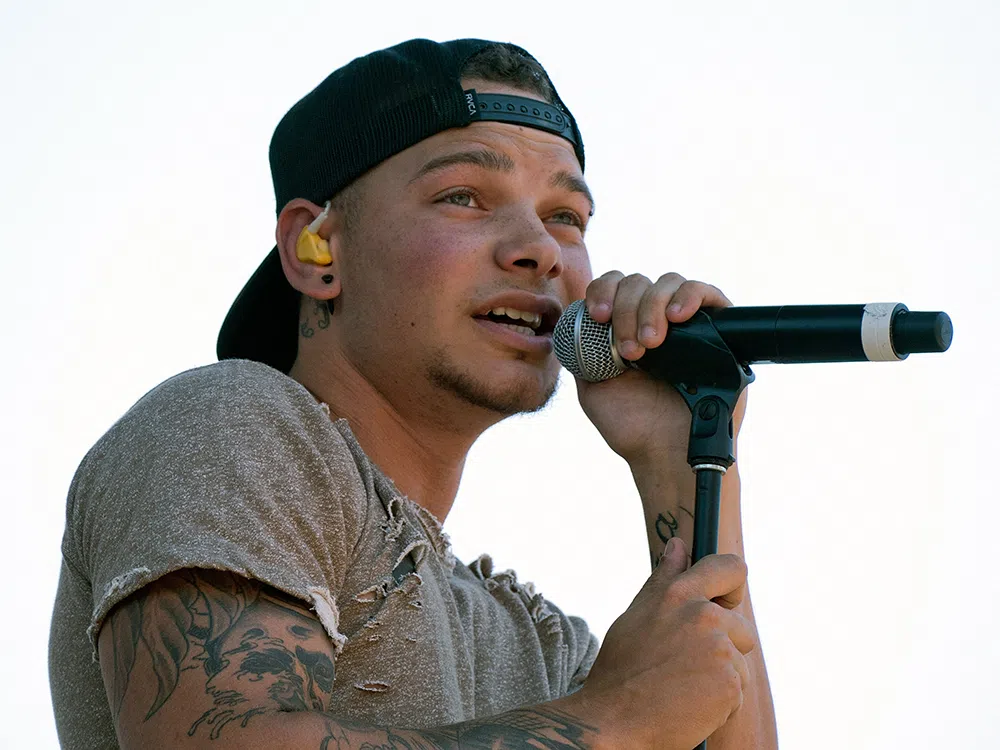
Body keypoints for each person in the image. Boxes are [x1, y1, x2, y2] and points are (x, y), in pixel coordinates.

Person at [48, 38, 778, 749]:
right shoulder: (231, 422)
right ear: (317, 249)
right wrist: (614, 723)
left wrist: (681, 459)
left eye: (566, 217)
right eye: (464, 196)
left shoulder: (536, 648)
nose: (540, 249)